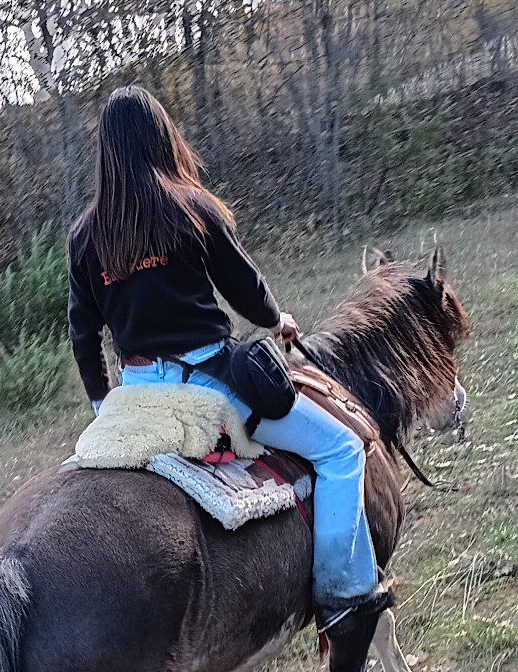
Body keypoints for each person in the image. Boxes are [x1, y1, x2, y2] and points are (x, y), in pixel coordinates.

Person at [66, 87, 391, 627]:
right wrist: (277, 320)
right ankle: (346, 596)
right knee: (340, 449)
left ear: (106, 153)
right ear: (161, 137)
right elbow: (247, 292)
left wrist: (105, 406)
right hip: (210, 388)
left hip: (136, 398)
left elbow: (83, 335)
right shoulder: (192, 209)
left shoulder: (84, 237)